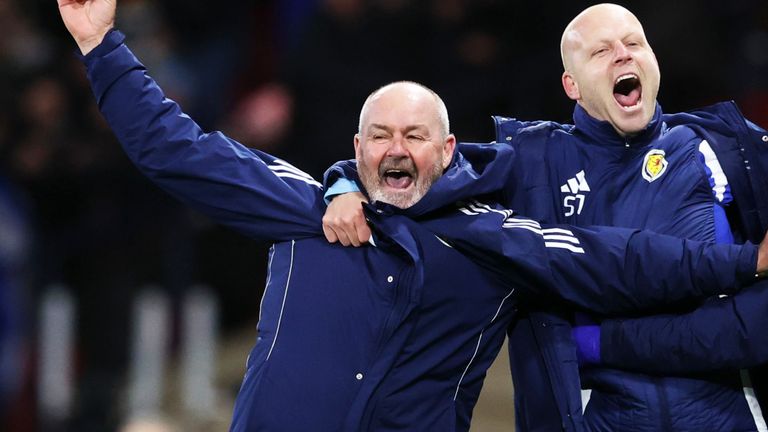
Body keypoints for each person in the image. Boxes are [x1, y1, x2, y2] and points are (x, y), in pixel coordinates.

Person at [58, 1, 768, 430]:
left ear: (450, 150)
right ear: (357, 149)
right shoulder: (302, 209)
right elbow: (174, 148)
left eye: (415, 136)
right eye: (380, 137)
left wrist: (745, 262)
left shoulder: (492, 243)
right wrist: (100, 46)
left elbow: (618, 258)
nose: (397, 149)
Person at [322, 3, 768, 431]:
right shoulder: (532, 160)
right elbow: (415, 169)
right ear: (571, 85)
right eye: (601, 51)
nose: (623, 55)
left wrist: (599, 343)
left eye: (634, 43)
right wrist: (345, 184)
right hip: (598, 419)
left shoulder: (722, 145)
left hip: (729, 414)